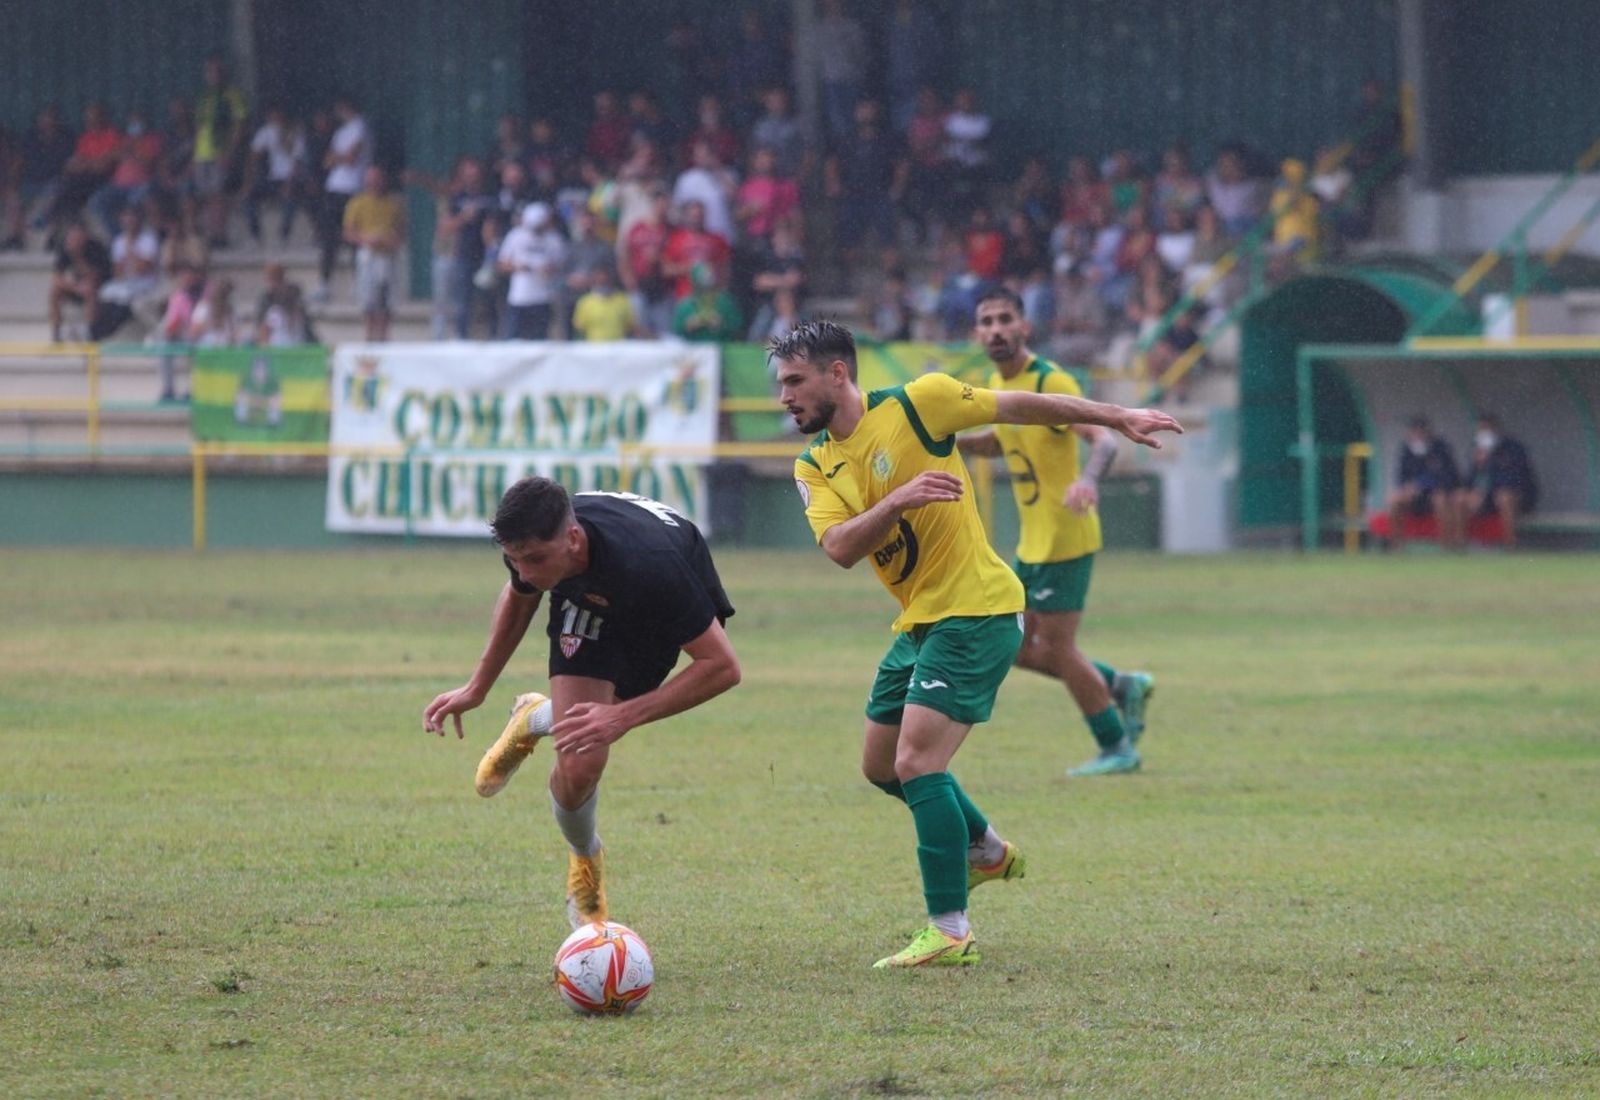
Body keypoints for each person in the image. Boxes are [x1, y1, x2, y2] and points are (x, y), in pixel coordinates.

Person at [771, 320, 1180, 968]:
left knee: (917, 764)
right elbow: (841, 548)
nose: (785, 397)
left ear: (838, 374)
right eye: (781, 385)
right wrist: (900, 499)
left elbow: (1021, 406)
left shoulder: (918, 403)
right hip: (921, 621)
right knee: (880, 767)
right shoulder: (813, 464)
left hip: (979, 608)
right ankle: (986, 850)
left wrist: (1115, 414)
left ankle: (950, 929)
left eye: (795, 381)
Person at [422, 480, 740, 931]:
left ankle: (538, 716)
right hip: (584, 599)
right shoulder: (533, 547)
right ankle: (585, 857)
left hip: (655, 606)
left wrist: (621, 716)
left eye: (534, 560)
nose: (526, 572)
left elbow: (723, 667)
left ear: (571, 539)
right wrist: (478, 687)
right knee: (581, 765)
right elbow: (520, 597)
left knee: (611, 713)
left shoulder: (652, 567)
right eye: (515, 560)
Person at [957, 288, 1156, 776]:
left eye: (1006, 319)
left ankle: (1116, 746)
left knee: (1058, 649)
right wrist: (945, 439)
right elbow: (1000, 443)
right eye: (988, 321)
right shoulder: (995, 385)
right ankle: (1120, 685)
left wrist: (1088, 480)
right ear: (977, 334)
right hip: (1034, 542)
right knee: (1019, 649)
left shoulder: (1050, 379)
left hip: (1066, 536)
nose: (997, 328)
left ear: (1025, 327)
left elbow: (1101, 437)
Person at [1455, 413, 1538, 548]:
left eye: (1486, 429)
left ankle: (1510, 545)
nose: (1483, 434)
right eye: (1480, 430)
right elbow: (1469, 480)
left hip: (1516, 496)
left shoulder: (1513, 448)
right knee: (1459, 497)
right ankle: (1460, 546)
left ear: (1496, 429)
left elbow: (1515, 479)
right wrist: (1478, 468)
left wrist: (1490, 463)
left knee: (1504, 497)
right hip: (1486, 497)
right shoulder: (1477, 450)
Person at [342, 166, 405, 342]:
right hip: (368, 256)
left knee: (387, 302)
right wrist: (367, 239)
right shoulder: (357, 203)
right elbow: (348, 232)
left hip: (388, 256)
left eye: (378, 179)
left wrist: (391, 240)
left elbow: (402, 232)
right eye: (371, 180)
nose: (375, 183)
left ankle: (385, 338)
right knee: (368, 301)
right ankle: (369, 338)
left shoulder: (394, 204)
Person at [1386, 415, 1461, 547]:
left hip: (1435, 493)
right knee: (1394, 499)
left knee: (1440, 500)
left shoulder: (1440, 448)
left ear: (1428, 432)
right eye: (1414, 431)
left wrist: (1422, 485)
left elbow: (1450, 476)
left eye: (1420, 431)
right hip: (1414, 497)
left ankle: (1447, 544)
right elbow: (1401, 477)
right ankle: (1396, 544)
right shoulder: (1406, 450)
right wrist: (1407, 488)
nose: (1417, 435)